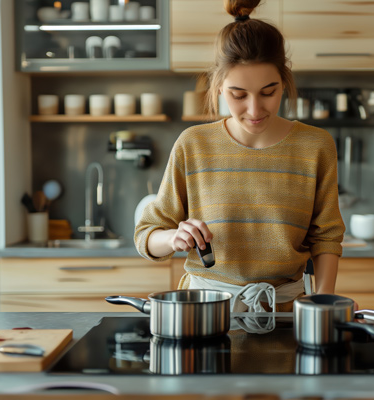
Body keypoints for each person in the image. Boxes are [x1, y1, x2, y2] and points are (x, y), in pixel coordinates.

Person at [134, 0, 345, 312]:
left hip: (286, 311)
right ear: (219, 86)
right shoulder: (193, 144)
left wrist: (322, 304)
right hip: (205, 310)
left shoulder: (315, 146)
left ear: (284, 83)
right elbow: (146, 235)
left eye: (269, 92)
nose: (255, 110)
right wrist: (173, 237)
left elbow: (326, 237)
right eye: (239, 95)